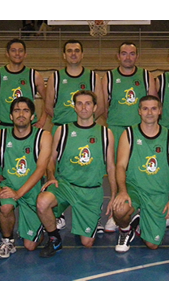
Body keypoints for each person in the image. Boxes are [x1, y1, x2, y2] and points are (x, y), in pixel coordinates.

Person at [36, 90, 116, 258]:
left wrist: (114, 193)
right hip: (65, 186)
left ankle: (90, 219)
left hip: (90, 190)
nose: (84, 107)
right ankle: (54, 238)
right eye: (79, 103)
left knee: (87, 243)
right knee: (42, 202)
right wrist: (51, 176)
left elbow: (111, 166)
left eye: (88, 103)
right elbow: (51, 159)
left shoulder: (105, 133)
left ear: (95, 107)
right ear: (74, 107)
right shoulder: (63, 131)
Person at [45, 39, 105, 231]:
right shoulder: (56, 77)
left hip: (87, 131)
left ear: (82, 54)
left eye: (77, 50)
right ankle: (58, 211)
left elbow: (101, 106)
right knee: (58, 174)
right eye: (69, 50)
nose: (73, 53)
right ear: (64, 55)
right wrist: (68, 125)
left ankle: (91, 208)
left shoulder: (92, 76)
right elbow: (48, 105)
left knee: (86, 169)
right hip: (62, 130)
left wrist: (82, 125)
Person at [0, 97, 52, 259]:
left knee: (30, 246)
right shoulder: (0, 135)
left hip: (31, 191)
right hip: (9, 187)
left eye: (25, 110)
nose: (21, 114)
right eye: (16, 110)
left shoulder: (43, 136)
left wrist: (19, 193)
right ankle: (7, 241)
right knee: (5, 207)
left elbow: (40, 169)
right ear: (10, 116)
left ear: (32, 116)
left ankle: (38, 228)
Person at [112, 95, 169, 253]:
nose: (149, 112)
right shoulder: (129, 134)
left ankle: (139, 221)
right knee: (119, 210)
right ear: (139, 111)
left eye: (154, 108)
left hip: (157, 192)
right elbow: (120, 165)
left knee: (152, 245)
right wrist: (122, 191)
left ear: (160, 111)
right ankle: (126, 230)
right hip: (135, 188)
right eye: (145, 108)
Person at [0, 38, 47, 130]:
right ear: (7, 53)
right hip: (4, 126)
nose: (17, 54)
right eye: (13, 51)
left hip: (28, 127)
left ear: (25, 54)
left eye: (20, 51)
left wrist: (42, 120)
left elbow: (48, 99)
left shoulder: (34, 75)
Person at [102, 41, 158, 152]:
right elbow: (103, 107)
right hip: (116, 129)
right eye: (124, 53)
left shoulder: (146, 76)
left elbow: (154, 105)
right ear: (118, 56)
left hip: (140, 128)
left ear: (137, 56)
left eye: (132, 54)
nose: (128, 57)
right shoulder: (109, 77)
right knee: (117, 164)